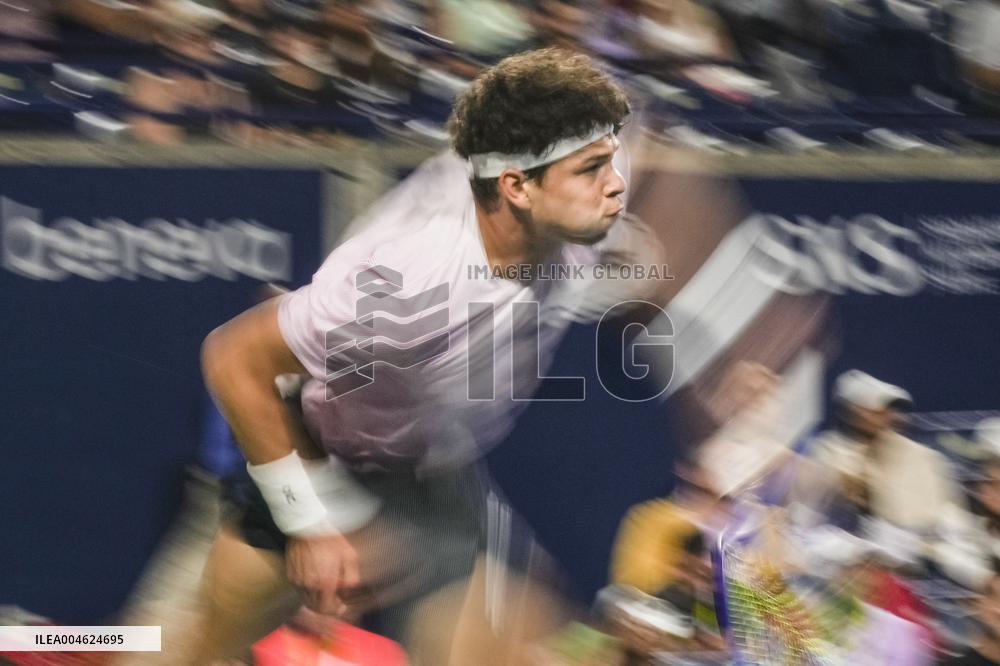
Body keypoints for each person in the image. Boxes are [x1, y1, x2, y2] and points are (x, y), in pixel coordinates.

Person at [195, 47, 667, 664]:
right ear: (517, 187)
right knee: (188, 651)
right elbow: (234, 357)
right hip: (324, 455)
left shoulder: (563, 189)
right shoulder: (408, 281)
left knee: (531, 648)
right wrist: (314, 519)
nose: (616, 183)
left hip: (433, 469)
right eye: (592, 169)